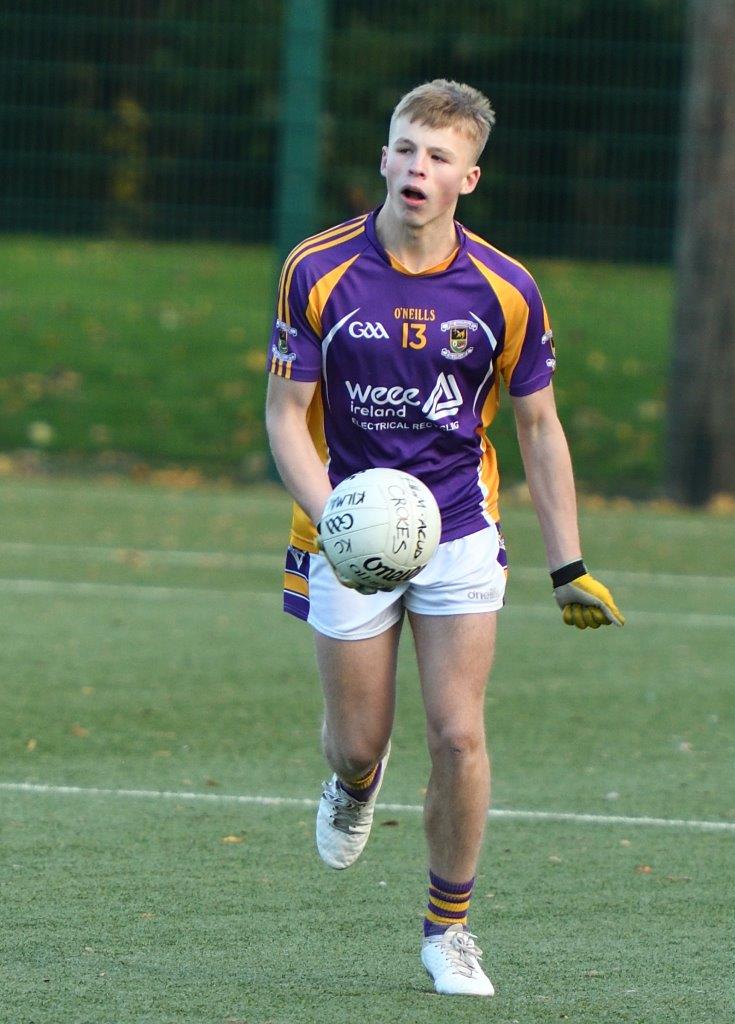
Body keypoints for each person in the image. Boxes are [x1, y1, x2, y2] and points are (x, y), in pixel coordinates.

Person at [264, 79, 623, 997]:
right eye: (404, 149)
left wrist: (568, 563)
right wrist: (338, 520)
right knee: (357, 742)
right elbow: (284, 415)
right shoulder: (318, 268)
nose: (417, 168)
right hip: (345, 524)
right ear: (383, 158)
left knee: (460, 735)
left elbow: (540, 430)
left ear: (469, 175)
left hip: (459, 528)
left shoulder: (506, 290)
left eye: (437, 155)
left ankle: (448, 930)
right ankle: (352, 785)